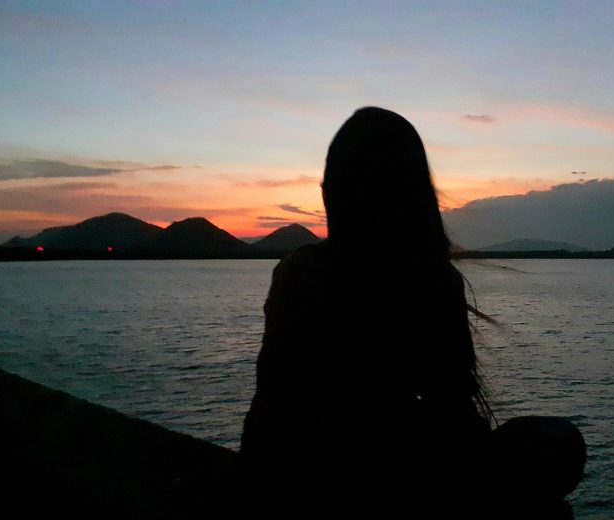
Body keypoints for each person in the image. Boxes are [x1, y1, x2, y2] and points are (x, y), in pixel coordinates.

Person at [241, 107, 585, 519]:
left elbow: (270, 411)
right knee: (560, 441)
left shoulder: (296, 272)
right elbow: (451, 412)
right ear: (417, 196)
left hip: (285, 479)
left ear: (331, 193)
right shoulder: (429, 282)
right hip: (393, 480)